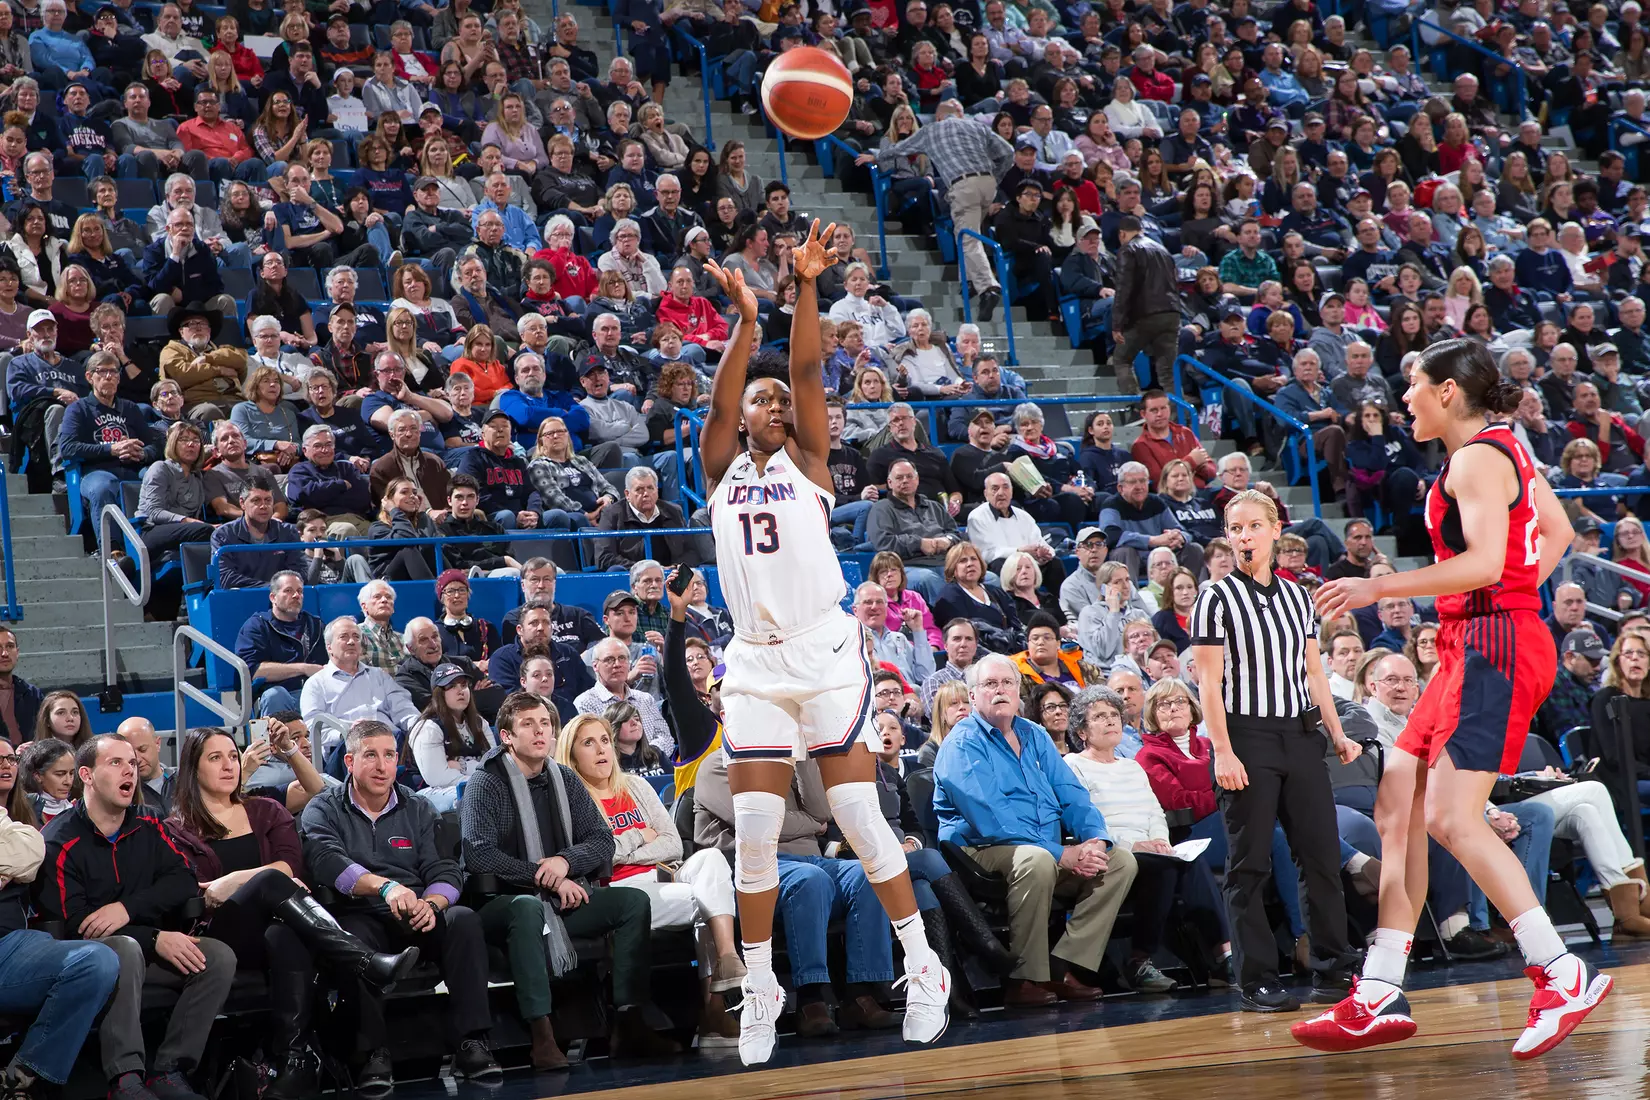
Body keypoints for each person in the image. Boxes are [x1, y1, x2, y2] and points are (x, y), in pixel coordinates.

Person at [1298, 339, 1607, 1058]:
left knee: (1449, 817)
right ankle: (1378, 988)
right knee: (1397, 795)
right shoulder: (1503, 448)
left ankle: (1560, 971)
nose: (1402, 398)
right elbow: (1555, 532)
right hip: (1480, 638)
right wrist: (1512, 596)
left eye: (1412, 385)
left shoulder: (1474, 459)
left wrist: (1380, 587)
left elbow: (1486, 561)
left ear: (1445, 392)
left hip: (1495, 645)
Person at [696, 223, 949, 1064]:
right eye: (757, 401)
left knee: (858, 816)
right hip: (756, 662)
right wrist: (744, 328)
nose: (769, 406)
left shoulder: (813, 466)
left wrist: (805, 284)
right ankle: (762, 985)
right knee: (758, 828)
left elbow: (806, 371)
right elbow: (723, 403)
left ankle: (922, 964)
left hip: (827, 652)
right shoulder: (717, 466)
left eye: (778, 403)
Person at [162, 728, 419, 1100]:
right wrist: (261, 879)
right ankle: (364, 960)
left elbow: (290, 865)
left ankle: (295, 1061)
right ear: (192, 769)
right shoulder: (175, 831)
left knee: (285, 933)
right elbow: (202, 895)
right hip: (220, 936)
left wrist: (235, 879)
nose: (228, 766)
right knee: (271, 886)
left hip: (281, 929)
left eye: (233, 756)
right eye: (215, 758)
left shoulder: (266, 810)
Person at [1190, 488, 1363, 1012]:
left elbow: (1314, 671)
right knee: (1249, 863)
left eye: (1252, 527)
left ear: (1273, 530)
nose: (1243, 536)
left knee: (1322, 857)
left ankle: (1334, 970)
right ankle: (1257, 977)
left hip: (1300, 734)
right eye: (1235, 528)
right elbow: (1209, 685)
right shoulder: (1214, 598)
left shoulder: (1296, 597)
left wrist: (1337, 733)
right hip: (1245, 736)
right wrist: (1222, 750)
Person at [459, 693, 682, 1070]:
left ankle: (628, 1021)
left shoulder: (563, 778)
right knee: (528, 908)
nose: (540, 731)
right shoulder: (486, 782)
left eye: (544, 723)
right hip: (503, 902)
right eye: (528, 724)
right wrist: (543, 878)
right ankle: (542, 1036)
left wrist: (565, 862)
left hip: (563, 894)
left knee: (632, 903)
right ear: (506, 737)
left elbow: (600, 840)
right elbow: (479, 853)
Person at [300, 720, 502, 1090]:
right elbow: (327, 862)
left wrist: (434, 902)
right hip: (361, 912)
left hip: (419, 911)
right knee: (352, 937)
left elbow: (443, 867)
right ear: (349, 761)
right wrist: (385, 888)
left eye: (389, 755)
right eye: (371, 756)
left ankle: (471, 1042)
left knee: (463, 920)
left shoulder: (419, 807)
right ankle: (372, 1053)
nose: (381, 766)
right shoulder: (323, 808)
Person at [35, 735, 237, 1100]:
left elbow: (183, 878)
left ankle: (169, 1071)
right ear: (87, 775)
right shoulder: (59, 840)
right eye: (115, 763)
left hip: (145, 944)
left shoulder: (148, 822)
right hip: (87, 960)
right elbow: (75, 924)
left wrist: (127, 910)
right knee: (123, 950)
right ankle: (124, 1079)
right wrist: (154, 937)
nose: (129, 769)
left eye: (132, 762)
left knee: (217, 957)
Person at [932, 653, 1137, 1005]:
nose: (1000, 690)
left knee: (1120, 861)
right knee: (1037, 860)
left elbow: (1072, 793)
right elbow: (993, 819)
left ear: (1018, 691)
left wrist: (1094, 841)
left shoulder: (1034, 734)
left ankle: (1065, 966)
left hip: (1040, 845)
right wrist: (1062, 853)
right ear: (972, 695)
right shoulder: (962, 744)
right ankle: (1024, 977)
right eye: (990, 684)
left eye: (1007, 683)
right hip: (978, 850)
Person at [557, 712, 746, 1047]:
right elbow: (596, 857)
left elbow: (672, 844)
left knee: (712, 861)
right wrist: (639, 836)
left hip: (663, 875)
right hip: (618, 892)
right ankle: (713, 1011)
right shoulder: (572, 802)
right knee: (708, 901)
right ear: (571, 755)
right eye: (588, 743)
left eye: (604, 740)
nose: (601, 749)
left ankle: (728, 958)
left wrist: (625, 846)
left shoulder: (636, 786)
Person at [858, 103, 1013, 321]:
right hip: (987, 183)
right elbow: (1008, 152)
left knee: (967, 238)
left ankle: (988, 287)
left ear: (938, 117)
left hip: (962, 185)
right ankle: (966, 281)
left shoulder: (931, 130)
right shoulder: (976, 126)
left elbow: (900, 148)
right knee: (968, 232)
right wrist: (995, 177)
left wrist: (876, 156)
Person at [1109, 214, 1184, 395]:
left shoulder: (1128, 250)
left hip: (1146, 315)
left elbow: (1124, 289)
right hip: (1172, 313)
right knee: (1168, 372)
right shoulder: (1162, 250)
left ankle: (1135, 409)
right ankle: (1180, 417)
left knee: (1121, 359)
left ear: (1122, 234)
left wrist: (1117, 324)